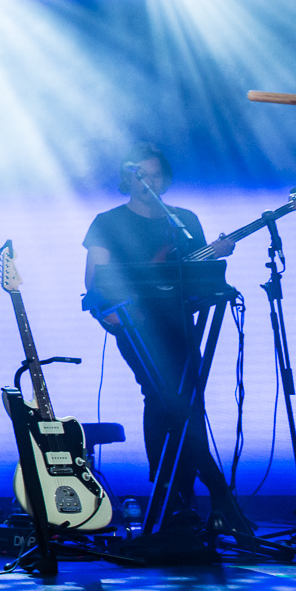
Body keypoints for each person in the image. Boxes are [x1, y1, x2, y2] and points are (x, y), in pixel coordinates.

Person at [82, 142, 234, 517]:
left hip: (181, 322)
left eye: (154, 176)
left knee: (185, 400)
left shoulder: (184, 220)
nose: (148, 183)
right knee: (160, 394)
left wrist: (215, 255)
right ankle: (204, 491)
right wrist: (106, 308)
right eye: (140, 176)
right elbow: (93, 279)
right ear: (127, 180)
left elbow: (197, 276)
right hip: (135, 324)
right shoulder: (108, 222)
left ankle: (179, 496)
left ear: (164, 180)